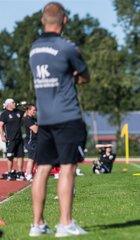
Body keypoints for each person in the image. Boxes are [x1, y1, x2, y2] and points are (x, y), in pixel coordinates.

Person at [28, 2, 90, 237]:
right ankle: (65, 224)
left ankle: (37, 224)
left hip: (44, 118)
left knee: (42, 169)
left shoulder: (34, 49)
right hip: (67, 116)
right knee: (67, 168)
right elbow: (85, 76)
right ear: (64, 20)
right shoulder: (67, 47)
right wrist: (73, 78)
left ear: (43, 21)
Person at [0, 98, 26, 181]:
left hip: (19, 138)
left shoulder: (18, 112)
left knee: (20, 156)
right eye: (13, 102)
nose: (15, 103)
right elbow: (0, 125)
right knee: (10, 156)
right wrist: (2, 136)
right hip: (10, 139)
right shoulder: (4, 114)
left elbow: (27, 114)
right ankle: (10, 172)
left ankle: (20, 172)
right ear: (8, 104)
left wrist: (24, 106)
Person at [24, 104, 38, 182]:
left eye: (35, 110)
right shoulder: (28, 119)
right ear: (29, 110)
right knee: (31, 159)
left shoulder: (34, 119)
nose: (35, 111)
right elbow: (35, 130)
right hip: (30, 142)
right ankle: (28, 174)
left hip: (36, 141)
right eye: (33, 110)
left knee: (34, 159)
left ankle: (29, 173)